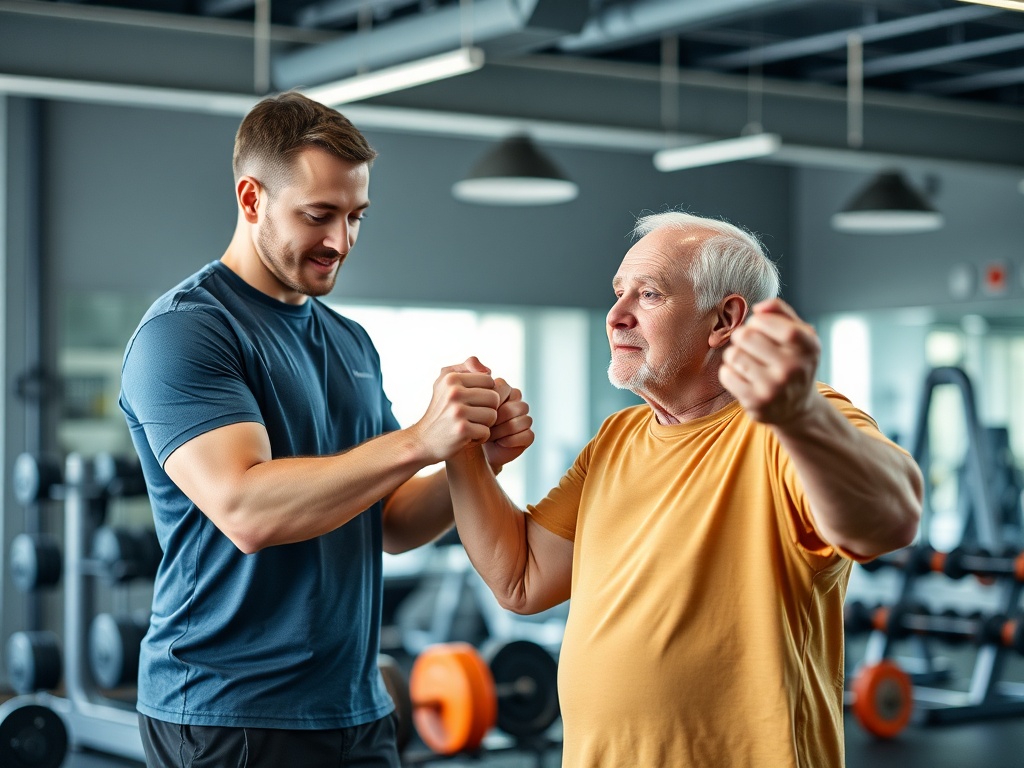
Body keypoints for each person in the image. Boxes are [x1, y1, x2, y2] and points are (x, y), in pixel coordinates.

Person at [118, 91, 533, 767]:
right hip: (231, 711)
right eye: (319, 216)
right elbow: (245, 509)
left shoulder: (350, 343)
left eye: (354, 216)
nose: (340, 241)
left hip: (354, 705)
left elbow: (391, 522)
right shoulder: (186, 332)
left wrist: (474, 457)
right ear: (251, 200)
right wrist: (421, 439)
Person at [445, 211, 924, 767]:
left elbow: (891, 522)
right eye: (618, 293)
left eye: (647, 295)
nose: (617, 316)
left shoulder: (790, 425)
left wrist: (800, 418)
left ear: (725, 319)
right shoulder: (616, 439)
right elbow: (521, 579)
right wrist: (463, 451)